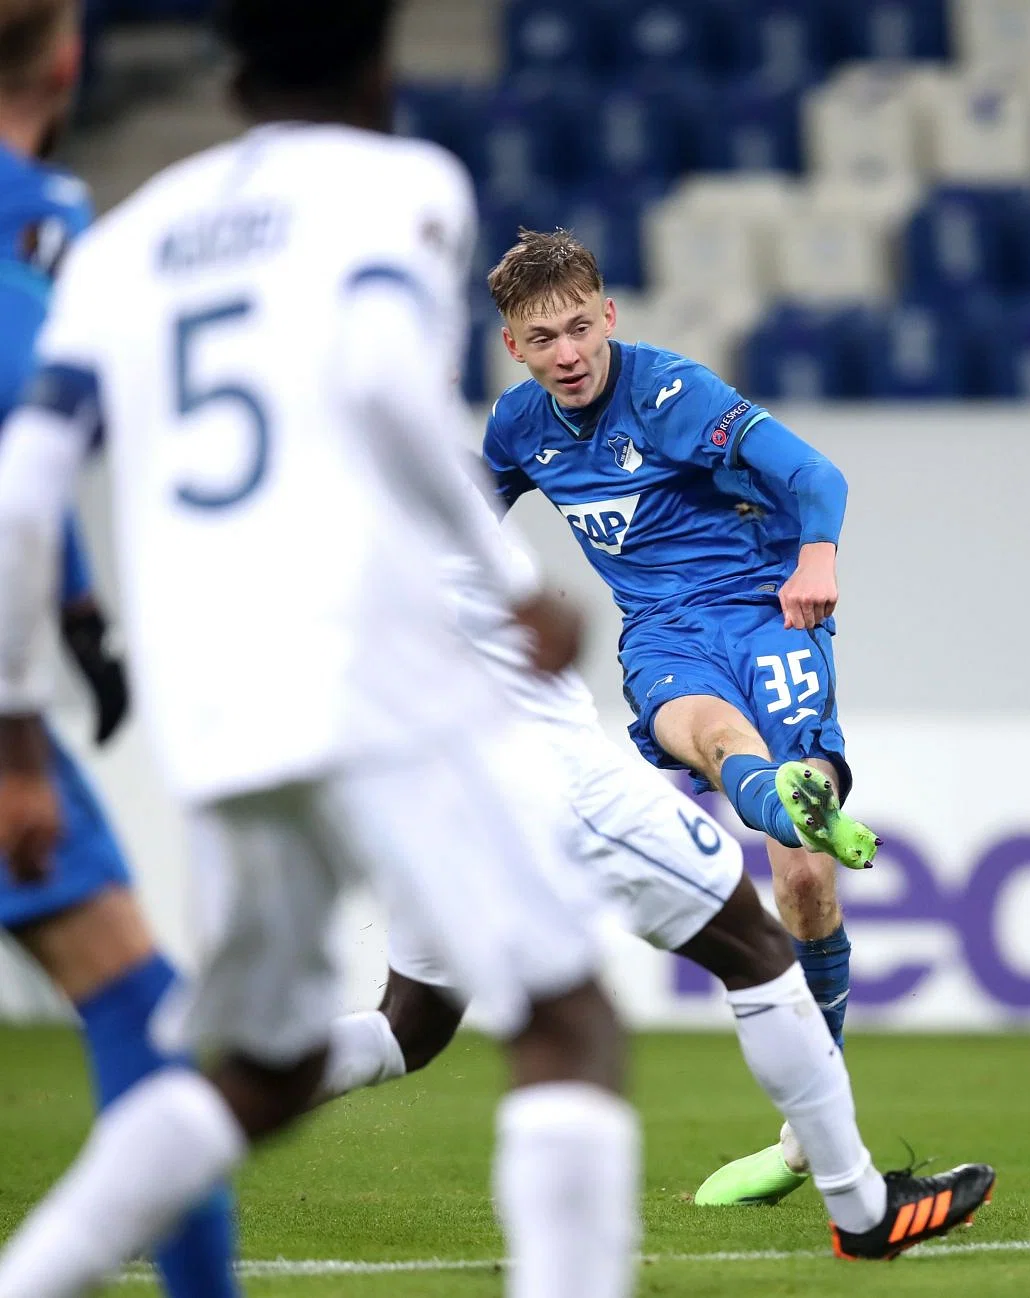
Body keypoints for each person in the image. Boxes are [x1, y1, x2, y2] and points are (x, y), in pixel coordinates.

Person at [0, 2, 641, 1295]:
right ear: (383, 64)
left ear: (231, 74)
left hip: (214, 707)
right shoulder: (402, 185)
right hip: (371, 669)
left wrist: (14, 724)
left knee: (264, 1068)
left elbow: (23, 487)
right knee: (565, 1017)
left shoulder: (123, 240)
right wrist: (514, 583)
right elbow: (381, 375)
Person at [315, 528, 995, 1260]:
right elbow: (551, 627)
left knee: (407, 1028)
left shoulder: (319, 528)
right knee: (755, 950)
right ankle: (863, 1210)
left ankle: (204, 1105)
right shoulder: (420, 478)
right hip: (548, 779)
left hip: (421, 799)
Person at [481, 228, 872, 1206]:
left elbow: (818, 476)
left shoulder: (671, 391)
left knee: (806, 885)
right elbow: (456, 533)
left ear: (609, 315)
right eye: (543, 338)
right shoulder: (515, 429)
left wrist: (817, 556)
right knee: (695, 730)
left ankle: (801, 1133)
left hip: (766, 606)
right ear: (513, 347)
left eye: (580, 327)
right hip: (665, 634)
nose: (567, 352)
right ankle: (781, 793)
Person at [0, 1, 235, 1292]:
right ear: (69, 54)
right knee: (145, 1017)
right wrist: (19, 744)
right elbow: (20, 469)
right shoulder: (48, 234)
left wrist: (79, 612)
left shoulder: (53, 220)